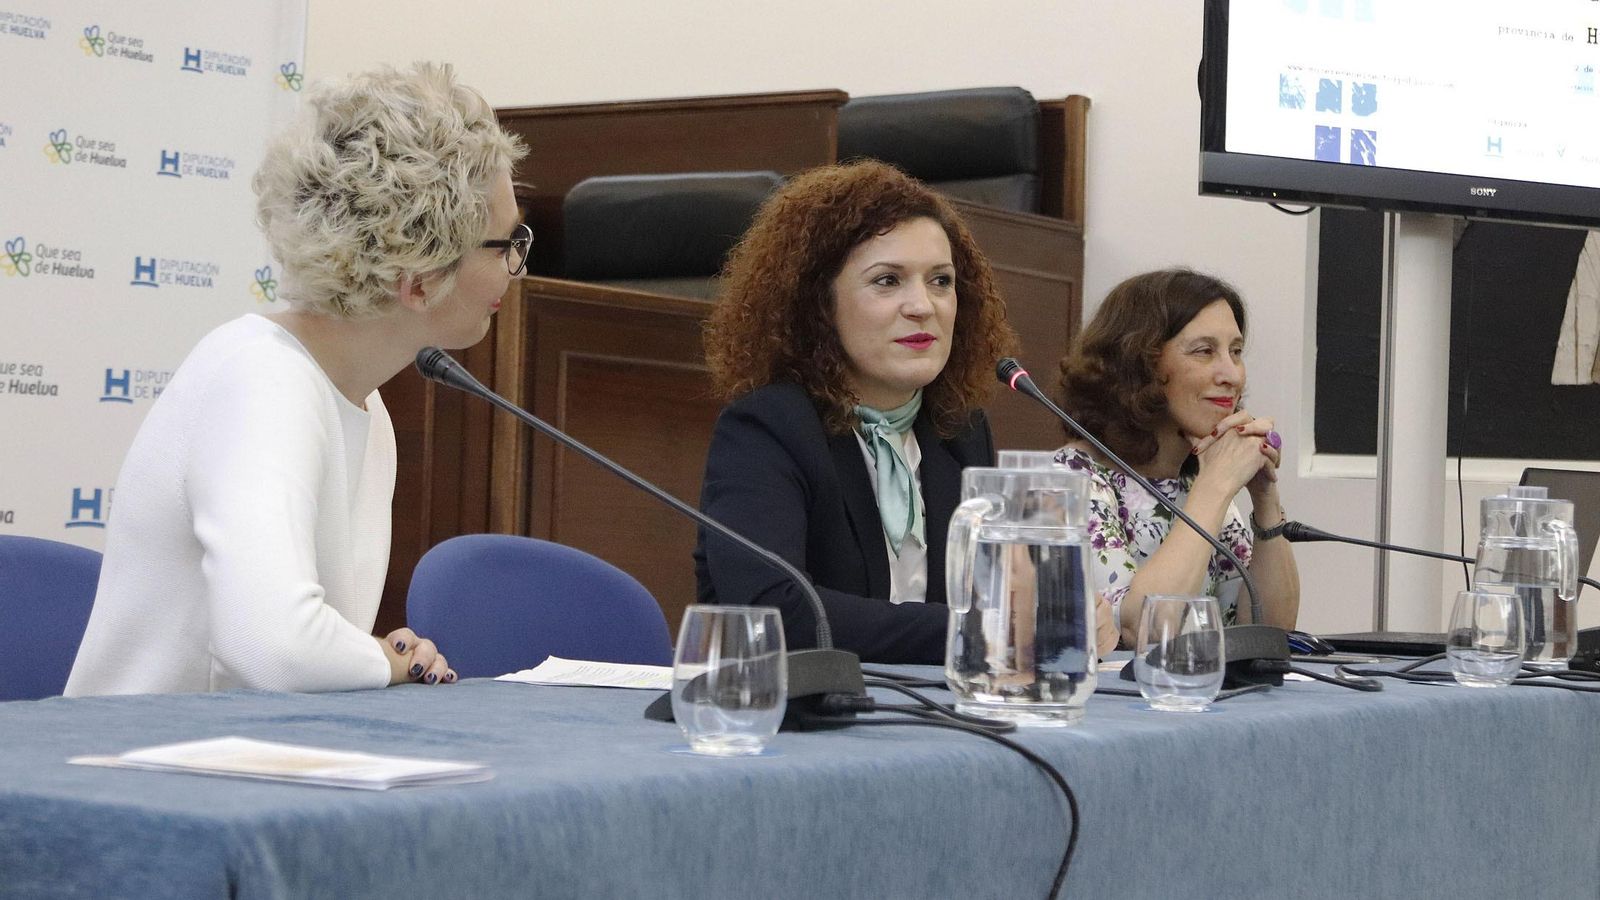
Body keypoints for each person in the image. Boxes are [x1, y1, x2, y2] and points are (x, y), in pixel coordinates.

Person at [65, 63, 528, 695]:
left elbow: (292, 642)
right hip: (145, 775)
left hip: (253, 765)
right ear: (418, 277)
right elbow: (272, 645)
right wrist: (384, 665)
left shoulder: (363, 405)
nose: (516, 267)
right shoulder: (260, 378)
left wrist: (367, 653)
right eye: (507, 243)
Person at [694, 160, 1116, 664]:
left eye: (940, 281)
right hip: (796, 721)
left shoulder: (957, 429)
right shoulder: (770, 428)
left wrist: (1064, 609)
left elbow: (997, 593)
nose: (923, 306)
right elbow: (776, 614)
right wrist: (980, 628)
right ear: (819, 305)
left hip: (926, 713)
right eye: (888, 281)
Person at [1055, 268, 1300, 647]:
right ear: (1141, 365)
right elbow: (1145, 629)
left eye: (1235, 352)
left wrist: (1266, 500)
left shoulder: (1195, 481)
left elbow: (1270, 631)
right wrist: (1217, 484)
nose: (1232, 375)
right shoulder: (1071, 477)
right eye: (1205, 351)